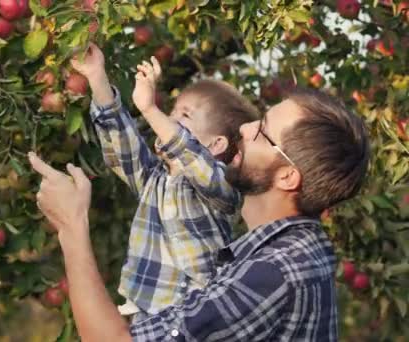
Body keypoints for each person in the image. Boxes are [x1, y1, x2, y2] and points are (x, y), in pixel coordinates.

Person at [28, 87, 370, 341]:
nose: (246, 129)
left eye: (263, 132)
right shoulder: (294, 251)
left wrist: (71, 226)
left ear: (287, 177)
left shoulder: (273, 274)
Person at [69, 43, 258, 320]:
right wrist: (97, 76)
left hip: (197, 319)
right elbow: (121, 144)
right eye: (170, 112)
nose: (167, 120)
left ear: (216, 144)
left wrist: (149, 109)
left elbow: (192, 157)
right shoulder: (153, 180)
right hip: (148, 317)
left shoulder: (222, 188)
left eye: (184, 115)